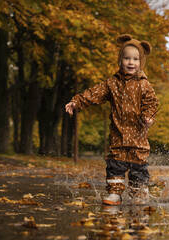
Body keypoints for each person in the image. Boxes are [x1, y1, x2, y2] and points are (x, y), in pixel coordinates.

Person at [65, 34, 159, 206]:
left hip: (138, 137)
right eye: (127, 58)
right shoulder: (112, 83)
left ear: (141, 62)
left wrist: (148, 116)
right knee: (115, 165)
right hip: (118, 135)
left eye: (136, 59)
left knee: (138, 167)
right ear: (120, 60)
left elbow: (152, 102)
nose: (131, 62)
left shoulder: (144, 85)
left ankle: (139, 192)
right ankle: (115, 193)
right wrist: (76, 102)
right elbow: (94, 93)